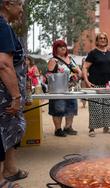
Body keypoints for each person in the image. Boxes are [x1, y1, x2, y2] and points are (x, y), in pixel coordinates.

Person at [0, 0, 29, 187]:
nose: (21, 10)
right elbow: (3, 64)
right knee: (1, 132)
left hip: (6, 92)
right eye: (20, 5)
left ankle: (10, 169)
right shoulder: (2, 28)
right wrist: (16, 96)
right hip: (4, 95)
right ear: (8, 4)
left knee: (10, 131)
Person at [82, 32, 110, 137]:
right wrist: (86, 81)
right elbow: (85, 67)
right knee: (95, 106)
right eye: (100, 38)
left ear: (106, 40)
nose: (102, 40)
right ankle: (92, 129)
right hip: (95, 84)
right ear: (97, 41)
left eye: (104, 38)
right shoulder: (93, 53)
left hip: (109, 85)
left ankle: (107, 127)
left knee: (108, 106)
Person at [47, 40, 82, 137]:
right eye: (60, 46)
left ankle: (68, 127)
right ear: (55, 49)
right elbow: (49, 75)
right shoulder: (53, 60)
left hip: (71, 89)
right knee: (59, 109)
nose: (63, 48)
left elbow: (79, 72)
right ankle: (58, 129)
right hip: (58, 90)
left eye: (64, 46)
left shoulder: (70, 58)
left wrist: (77, 75)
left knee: (71, 108)